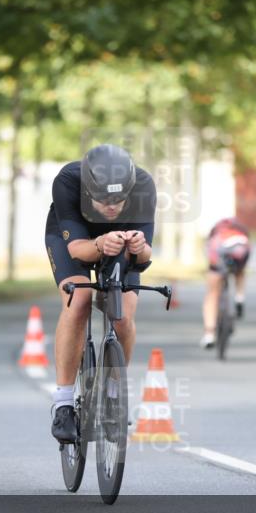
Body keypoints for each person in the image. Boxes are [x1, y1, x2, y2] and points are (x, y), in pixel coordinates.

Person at [44, 144, 156, 443]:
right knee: (78, 299)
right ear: (88, 191)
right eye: (103, 199)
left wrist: (138, 247)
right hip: (76, 238)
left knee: (122, 315)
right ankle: (64, 403)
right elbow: (77, 249)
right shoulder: (68, 181)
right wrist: (99, 244)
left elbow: (145, 257)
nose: (111, 206)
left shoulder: (144, 185)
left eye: (119, 200)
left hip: (122, 244)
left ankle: (113, 393)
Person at [200, 217, 251, 349]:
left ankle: (209, 334)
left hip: (218, 253)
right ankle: (240, 297)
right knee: (240, 271)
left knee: (212, 294)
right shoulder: (241, 229)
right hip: (241, 251)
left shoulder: (215, 233)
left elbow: (210, 253)